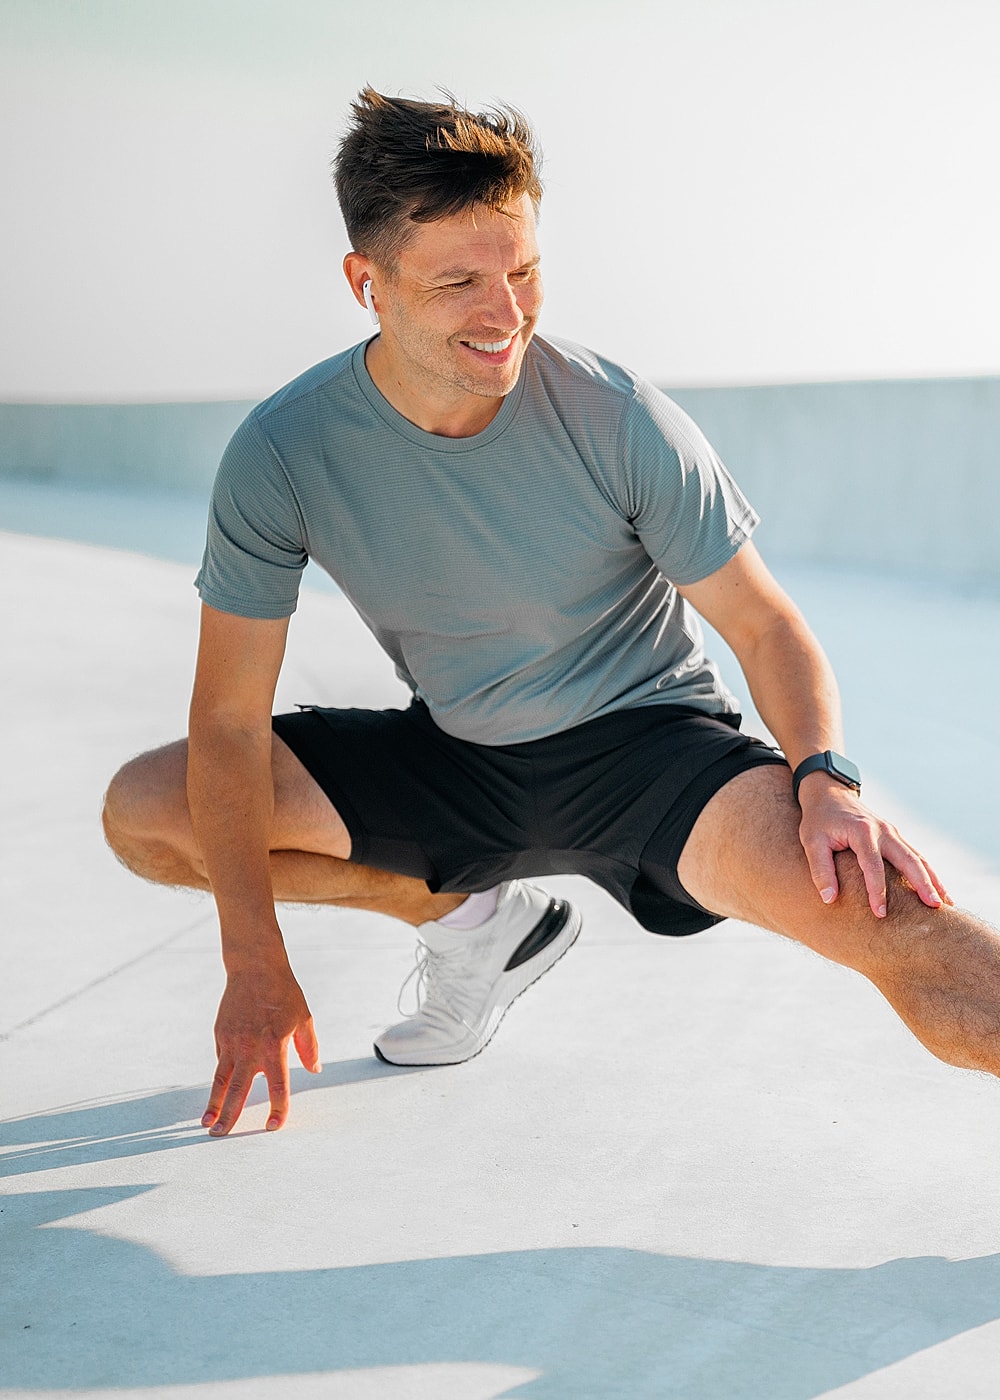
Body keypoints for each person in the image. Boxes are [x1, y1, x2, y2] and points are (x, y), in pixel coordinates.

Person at [103, 87, 998, 1139]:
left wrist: (823, 777)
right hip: (460, 760)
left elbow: (761, 622)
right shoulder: (284, 453)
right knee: (150, 811)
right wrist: (252, 957)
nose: (506, 312)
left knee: (903, 930)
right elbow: (225, 721)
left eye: (524, 270)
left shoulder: (615, 416)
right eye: (460, 282)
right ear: (367, 283)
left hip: (657, 759)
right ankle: (470, 919)